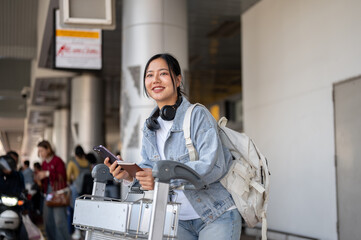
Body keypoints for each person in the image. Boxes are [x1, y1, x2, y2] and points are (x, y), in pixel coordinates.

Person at [104, 53, 242, 240]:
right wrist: (129, 175)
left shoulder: (197, 115)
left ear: (178, 80)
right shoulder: (149, 126)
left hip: (216, 215)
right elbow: (150, 169)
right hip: (175, 220)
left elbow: (213, 166)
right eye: (149, 75)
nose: (155, 80)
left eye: (163, 74)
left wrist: (162, 179)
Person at [35, 140, 70, 240]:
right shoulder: (44, 163)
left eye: (41, 150)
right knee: (47, 221)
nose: (40, 153)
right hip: (48, 195)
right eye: (39, 151)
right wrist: (39, 180)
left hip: (58, 194)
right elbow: (46, 181)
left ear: (48, 149)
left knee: (60, 221)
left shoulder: (57, 160)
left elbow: (62, 176)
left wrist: (47, 173)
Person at [66, 145, 91, 239]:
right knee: (85, 209)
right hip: (87, 190)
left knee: (76, 210)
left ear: (75, 154)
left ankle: (77, 231)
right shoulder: (87, 163)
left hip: (76, 189)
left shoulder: (72, 163)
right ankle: (85, 231)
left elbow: (68, 177)